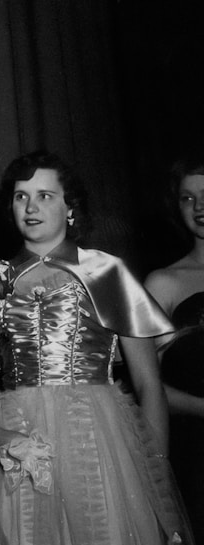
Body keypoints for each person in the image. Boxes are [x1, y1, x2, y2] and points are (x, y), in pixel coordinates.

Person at [0, 150, 192, 545]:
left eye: (45, 195)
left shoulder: (105, 271)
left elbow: (148, 385)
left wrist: (155, 476)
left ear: (71, 207)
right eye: (21, 197)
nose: (31, 207)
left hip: (98, 438)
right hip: (22, 439)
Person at [145, 156, 204, 543]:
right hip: (196, 455)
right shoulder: (163, 283)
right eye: (187, 198)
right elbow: (148, 386)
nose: (199, 207)